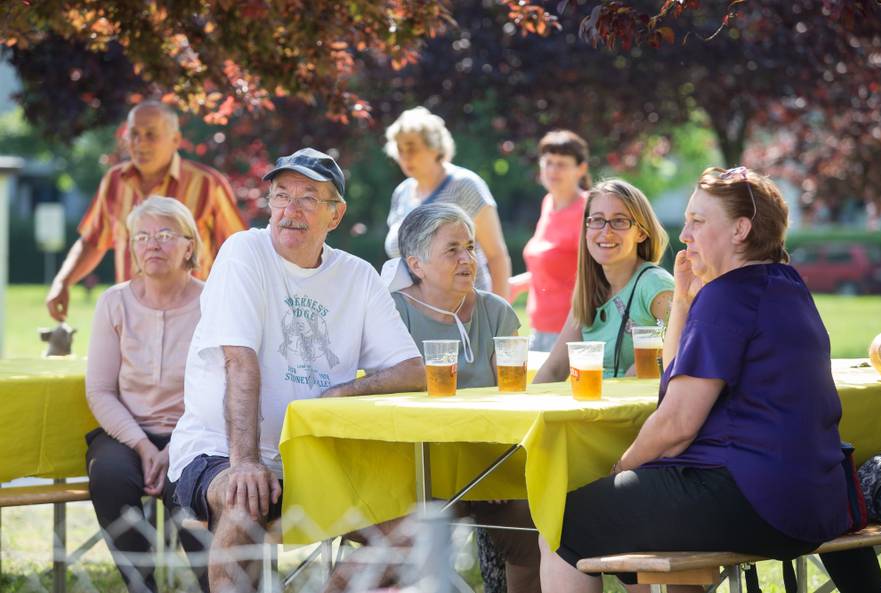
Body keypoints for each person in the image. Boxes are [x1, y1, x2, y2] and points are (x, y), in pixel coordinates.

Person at [539, 167, 881, 593]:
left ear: (740, 229)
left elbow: (677, 425)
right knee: (636, 507)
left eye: (698, 222)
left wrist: (622, 466)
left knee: (559, 521)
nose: (684, 234)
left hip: (754, 499)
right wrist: (684, 299)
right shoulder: (786, 285)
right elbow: (675, 375)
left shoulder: (729, 296)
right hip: (816, 499)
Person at [167, 148, 426, 593]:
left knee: (413, 534)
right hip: (218, 450)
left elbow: (412, 371)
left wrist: (341, 394)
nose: (291, 210)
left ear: (335, 215)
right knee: (242, 500)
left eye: (309, 198)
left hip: (316, 459)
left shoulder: (357, 276)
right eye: (281, 195)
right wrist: (245, 462)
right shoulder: (244, 251)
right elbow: (239, 361)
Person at [382, 202, 540, 593]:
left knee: (532, 531)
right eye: (452, 250)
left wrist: (497, 465)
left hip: (491, 463)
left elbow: (513, 399)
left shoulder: (496, 312)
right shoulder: (392, 313)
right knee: (400, 541)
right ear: (416, 264)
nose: (468, 258)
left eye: (470, 247)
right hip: (415, 470)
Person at [85, 196, 208, 593]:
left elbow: (222, 389)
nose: (152, 243)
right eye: (142, 236)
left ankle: (218, 584)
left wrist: (175, 447)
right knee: (108, 476)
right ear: (133, 247)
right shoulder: (114, 302)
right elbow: (100, 390)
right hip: (128, 432)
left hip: (196, 432)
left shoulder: (213, 302)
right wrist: (143, 446)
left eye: (165, 234)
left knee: (192, 486)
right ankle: (142, 587)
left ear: (190, 245)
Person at [46, 100, 246, 322]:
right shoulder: (114, 181)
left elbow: (239, 252)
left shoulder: (209, 184)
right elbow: (93, 240)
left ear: (176, 140)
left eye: (151, 134)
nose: (140, 143)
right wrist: (62, 282)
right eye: (133, 134)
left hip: (195, 320)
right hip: (131, 319)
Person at [533, 179, 673, 383]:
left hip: (636, 412)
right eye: (597, 220)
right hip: (593, 409)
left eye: (619, 221)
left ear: (641, 233)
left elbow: (684, 346)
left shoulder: (655, 284)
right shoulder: (589, 290)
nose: (606, 232)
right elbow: (555, 370)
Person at [383, 106, 512, 299]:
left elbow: (497, 256)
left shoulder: (465, 186)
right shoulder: (401, 193)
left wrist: (500, 319)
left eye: (412, 148)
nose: (405, 157)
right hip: (415, 318)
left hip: (468, 315)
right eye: (400, 150)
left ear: (434, 147)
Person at [509, 130, 590, 353]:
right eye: (548, 162)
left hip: (572, 332)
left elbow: (599, 273)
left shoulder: (589, 210)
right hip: (538, 329)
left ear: (581, 169)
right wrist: (517, 284)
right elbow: (555, 267)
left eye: (562, 164)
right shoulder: (548, 203)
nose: (553, 170)